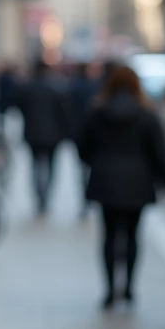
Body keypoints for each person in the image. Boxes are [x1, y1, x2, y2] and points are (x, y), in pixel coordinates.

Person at [77, 66, 165, 308]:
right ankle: (128, 287)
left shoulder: (97, 112)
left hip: (106, 181)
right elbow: (159, 152)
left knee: (108, 236)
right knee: (133, 236)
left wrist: (98, 162)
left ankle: (109, 289)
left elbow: (83, 147)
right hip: (138, 181)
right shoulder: (147, 114)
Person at [14, 59, 72, 216]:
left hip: (33, 133)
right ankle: (46, 195)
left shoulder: (27, 88)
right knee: (51, 166)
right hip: (53, 135)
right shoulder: (56, 88)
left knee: (35, 165)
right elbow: (63, 113)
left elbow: (19, 107)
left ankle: (39, 196)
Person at [68, 61, 104, 218]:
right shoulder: (97, 87)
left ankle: (85, 200)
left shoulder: (73, 87)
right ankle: (90, 199)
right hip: (94, 135)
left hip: (80, 133)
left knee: (83, 169)